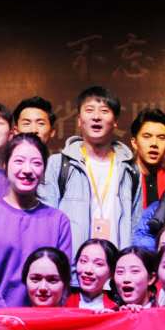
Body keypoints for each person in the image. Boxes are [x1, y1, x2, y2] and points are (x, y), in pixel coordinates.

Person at [0, 133, 75, 309]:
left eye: (36, 163)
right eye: (19, 161)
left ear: (44, 170)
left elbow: (62, 280)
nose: (27, 169)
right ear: (5, 165)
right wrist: (9, 319)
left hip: (44, 320)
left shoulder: (58, 221)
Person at [42, 85, 142, 256]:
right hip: (72, 267)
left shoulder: (130, 169)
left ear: (115, 121)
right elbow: (47, 223)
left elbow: (135, 225)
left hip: (116, 267)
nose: (96, 117)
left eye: (104, 111)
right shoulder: (58, 164)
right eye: (89, 110)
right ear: (79, 120)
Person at [129, 108, 165, 209]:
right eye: (147, 136)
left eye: (161, 138)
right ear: (134, 142)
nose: (154, 143)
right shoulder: (122, 178)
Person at [68, 238, 119, 310]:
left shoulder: (116, 308)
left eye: (98, 264)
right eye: (83, 261)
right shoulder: (61, 302)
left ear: (112, 272)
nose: (88, 270)